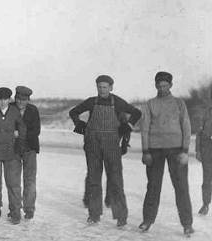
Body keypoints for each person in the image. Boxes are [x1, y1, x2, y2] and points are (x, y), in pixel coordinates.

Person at [69, 75, 141, 227]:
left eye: (105, 87)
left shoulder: (117, 102)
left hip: (111, 145)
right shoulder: (91, 101)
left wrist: (127, 126)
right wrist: (80, 125)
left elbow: (136, 113)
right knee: (94, 180)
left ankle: (121, 217)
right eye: (99, 87)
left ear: (111, 87)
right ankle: (94, 215)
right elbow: (73, 112)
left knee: (115, 180)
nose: (102, 90)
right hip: (92, 144)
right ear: (96, 87)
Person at [139, 71, 194, 235]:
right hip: (155, 151)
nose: (162, 88)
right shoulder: (150, 104)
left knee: (181, 187)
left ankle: (187, 224)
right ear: (155, 85)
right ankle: (147, 220)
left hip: (176, 150)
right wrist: (145, 151)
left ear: (171, 85)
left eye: (165, 85)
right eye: (159, 85)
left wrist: (185, 150)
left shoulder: (179, 103)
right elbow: (144, 129)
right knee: (153, 186)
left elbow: (186, 127)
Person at [0, 87, 27, 224]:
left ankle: (15, 211)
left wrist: (20, 140)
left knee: (13, 183)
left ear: (9, 99)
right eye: (0, 99)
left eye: (5, 99)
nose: (3, 102)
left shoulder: (15, 112)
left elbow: (22, 128)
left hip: (11, 151)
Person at [11, 86, 41, 219]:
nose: (20, 102)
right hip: (13, 149)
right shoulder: (10, 108)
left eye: (23, 100)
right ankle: (15, 209)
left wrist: (20, 134)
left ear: (28, 100)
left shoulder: (33, 110)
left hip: (30, 149)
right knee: (13, 180)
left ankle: (29, 209)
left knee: (30, 180)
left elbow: (36, 131)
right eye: (18, 99)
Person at [196, 93, 212, 216]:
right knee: (207, 179)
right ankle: (205, 204)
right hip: (207, 149)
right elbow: (199, 133)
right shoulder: (206, 113)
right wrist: (198, 150)